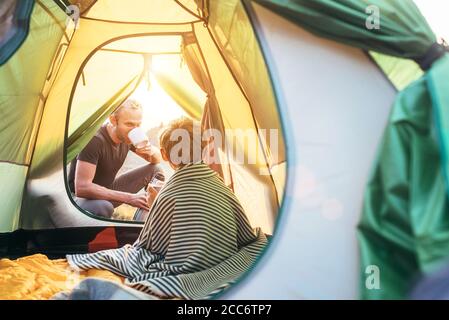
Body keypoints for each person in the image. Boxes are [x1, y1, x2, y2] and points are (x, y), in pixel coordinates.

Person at [66, 117, 267, 299]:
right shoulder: (221, 186)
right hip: (225, 262)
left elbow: (150, 245)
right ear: (204, 149)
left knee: (138, 255)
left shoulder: (170, 194)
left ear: (165, 154)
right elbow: (243, 232)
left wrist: (155, 208)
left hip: (188, 275)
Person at [68, 99, 164, 218]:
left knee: (156, 170)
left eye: (138, 125)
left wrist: (151, 151)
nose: (134, 129)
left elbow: (157, 159)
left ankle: (143, 222)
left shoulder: (128, 137)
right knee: (104, 207)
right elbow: (82, 187)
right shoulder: (95, 140)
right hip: (78, 199)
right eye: (129, 124)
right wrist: (129, 198)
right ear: (113, 120)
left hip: (107, 190)